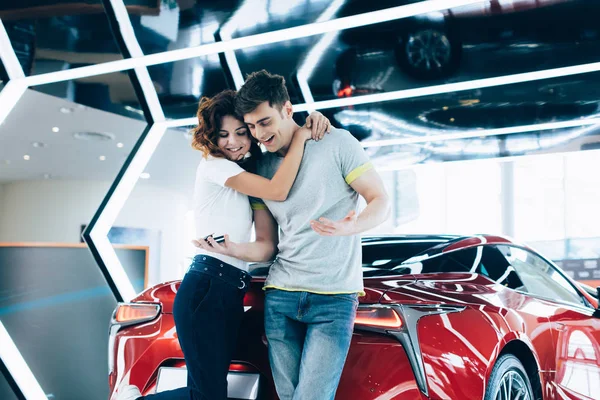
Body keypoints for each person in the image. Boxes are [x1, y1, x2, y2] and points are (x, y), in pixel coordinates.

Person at [115, 89, 331, 400]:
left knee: (212, 391)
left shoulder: (246, 176)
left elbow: (266, 247)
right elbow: (279, 190)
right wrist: (301, 138)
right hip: (206, 288)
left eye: (241, 133)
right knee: (208, 395)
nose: (232, 141)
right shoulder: (216, 165)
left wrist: (234, 250)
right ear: (211, 136)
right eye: (223, 134)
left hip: (230, 290)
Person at [207, 70, 391, 400]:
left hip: (333, 298)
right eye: (250, 126)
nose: (258, 134)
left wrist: (352, 226)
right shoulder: (259, 169)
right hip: (280, 298)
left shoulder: (338, 144)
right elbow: (268, 243)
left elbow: (380, 200)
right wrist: (231, 249)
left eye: (264, 122)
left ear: (288, 110)